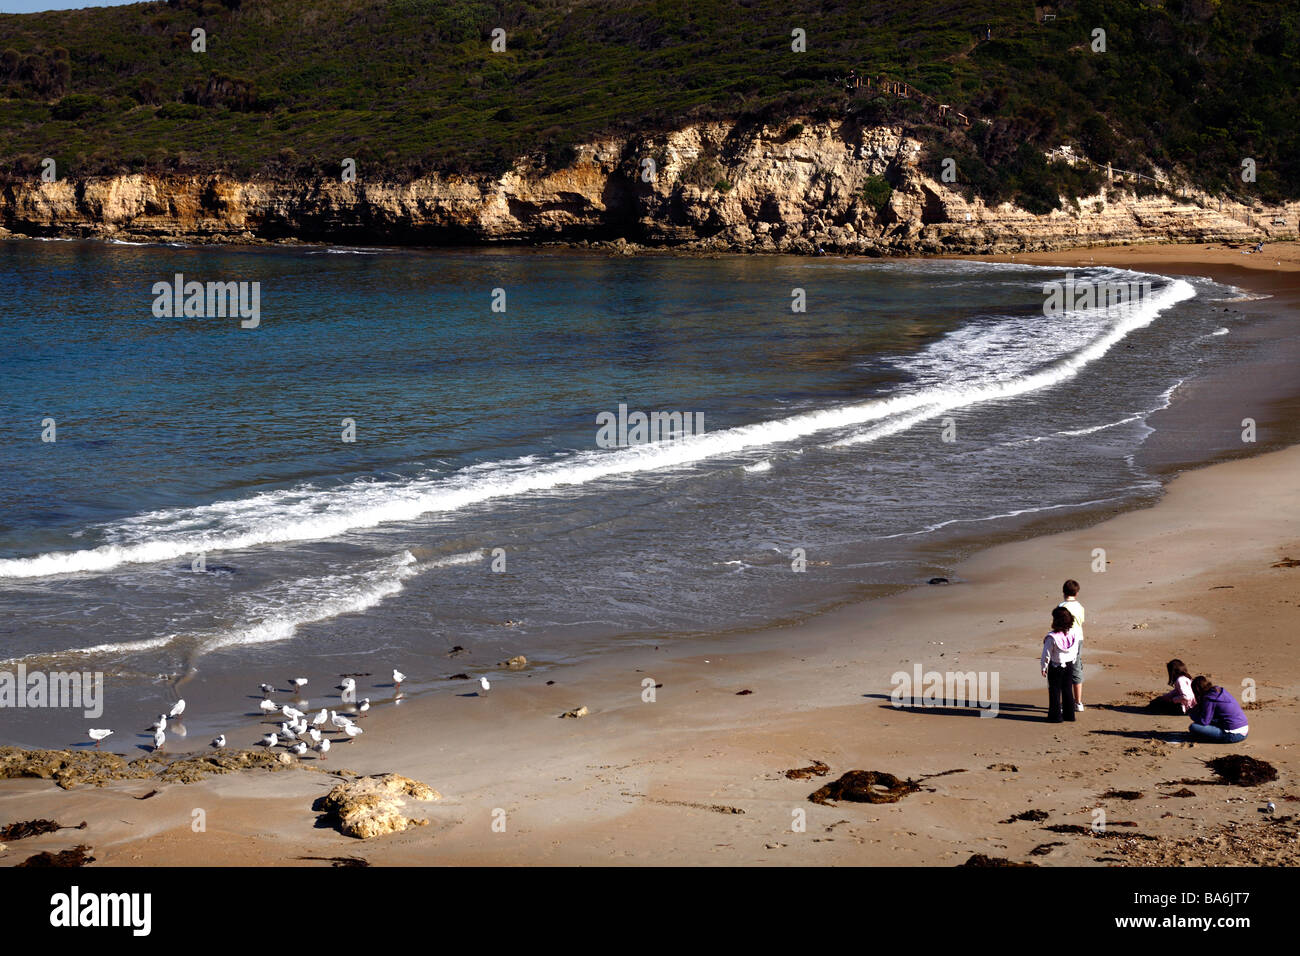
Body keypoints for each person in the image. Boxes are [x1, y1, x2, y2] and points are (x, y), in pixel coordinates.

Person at [1040, 606, 1079, 722]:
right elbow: (1075, 649)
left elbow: (1046, 654)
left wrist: (1043, 667)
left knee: (1055, 691)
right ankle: (1069, 715)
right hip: (1069, 664)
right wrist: (1073, 660)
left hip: (1056, 666)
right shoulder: (1073, 633)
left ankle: (1055, 716)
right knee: (1067, 690)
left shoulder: (1052, 637)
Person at [1187, 676, 1249, 742]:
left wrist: (1192, 714)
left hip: (1233, 735)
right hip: (1244, 730)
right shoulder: (1219, 691)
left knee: (1193, 727)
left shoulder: (1209, 699)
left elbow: (1204, 722)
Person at [1058, 579, 1086, 712]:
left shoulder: (1061, 606)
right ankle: (1078, 702)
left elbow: (1058, 624)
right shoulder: (1080, 607)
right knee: (1076, 668)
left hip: (1064, 639)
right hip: (1078, 638)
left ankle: (1065, 703)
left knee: (1063, 669)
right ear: (1077, 593)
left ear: (1063, 592)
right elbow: (1081, 622)